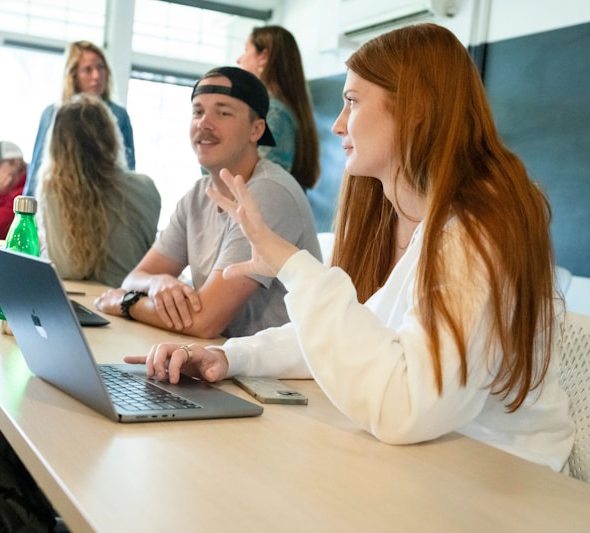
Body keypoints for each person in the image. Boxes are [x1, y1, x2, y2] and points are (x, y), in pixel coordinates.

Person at [130, 24, 575, 472]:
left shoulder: (477, 226)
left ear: (415, 107)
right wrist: (231, 356)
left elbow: (406, 408)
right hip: (446, 460)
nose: (339, 123)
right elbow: (359, 332)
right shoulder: (431, 226)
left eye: (353, 102)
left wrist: (292, 266)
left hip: (505, 478)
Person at [94, 66, 321, 339]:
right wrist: (157, 282)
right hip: (222, 360)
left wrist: (126, 303)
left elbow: (205, 321)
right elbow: (134, 278)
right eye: (198, 112)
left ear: (256, 130)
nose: (204, 123)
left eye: (223, 113)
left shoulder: (269, 193)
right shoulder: (197, 194)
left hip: (274, 376)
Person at [37, 94, 160, 288]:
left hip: (87, 307)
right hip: (133, 304)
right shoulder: (146, 187)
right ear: (111, 136)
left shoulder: (54, 190)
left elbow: (68, 270)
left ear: (58, 145)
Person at [23, 40, 135, 196]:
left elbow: (128, 172)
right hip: (59, 200)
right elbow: (37, 171)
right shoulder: (53, 114)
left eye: (100, 68)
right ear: (73, 76)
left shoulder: (118, 116)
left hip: (105, 203)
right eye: (88, 70)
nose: (96, 76)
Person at [237, 25, 320, 191]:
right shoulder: (279, 110)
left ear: (263, 57)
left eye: (246, 50)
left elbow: (261, 186)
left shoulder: (275, 113)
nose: (239, 59)